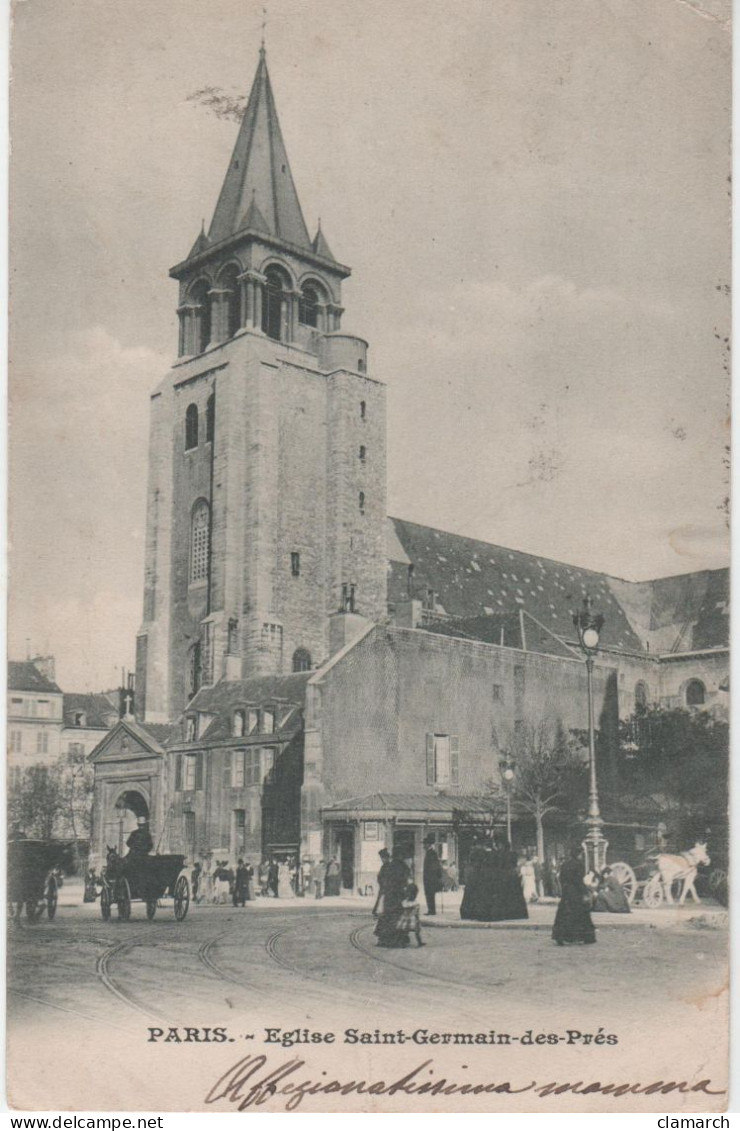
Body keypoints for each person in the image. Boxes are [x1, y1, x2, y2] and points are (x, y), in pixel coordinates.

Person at [552, 844, 597, 945]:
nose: (581, 856)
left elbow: (561, 878)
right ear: (578, 854)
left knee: (564, 914)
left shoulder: (565, 864)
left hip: (567, 892)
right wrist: (584, 892)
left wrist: (565, 888)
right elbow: (579, 881)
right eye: (581, 854)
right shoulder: (579, 864)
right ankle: (585, 937)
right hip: (576, 892)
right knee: (581, 914)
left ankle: (561, 936)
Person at [373, 848, 411, 948]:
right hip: (398, 896)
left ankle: (386, 939)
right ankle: (399, 940)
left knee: (388, 917)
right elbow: (407, 880)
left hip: (389, 896)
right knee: (397, 917)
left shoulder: (389, 866)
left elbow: (382, 881)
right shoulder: (402, 866)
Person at [495, 839, 529, 920]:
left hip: (505, 876)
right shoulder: (513, 854)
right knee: (514, 895)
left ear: (503, 845)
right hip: (512, 876)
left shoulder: (500, 855)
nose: (498, 847)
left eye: (499, 845)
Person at [399, 882, 425, 947]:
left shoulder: (407, 902)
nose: (413, 895)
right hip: (411, 919)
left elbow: (405, 909)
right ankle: (405, 943)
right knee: (410, 931)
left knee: (410, 931)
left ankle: (418, 942)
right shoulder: (412, 903)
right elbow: (415, 911)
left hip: (408, 919)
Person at [423, 837, 444, 915]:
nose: (423, 846)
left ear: (428, 844)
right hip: (429, 878)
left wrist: (435, 877)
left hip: (430, 878)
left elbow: (435, 866)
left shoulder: (431, 853)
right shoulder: (430, 853)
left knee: (430, 894)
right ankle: (431, 910)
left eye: (425, 844)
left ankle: (431, 910)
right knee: (429, 894)